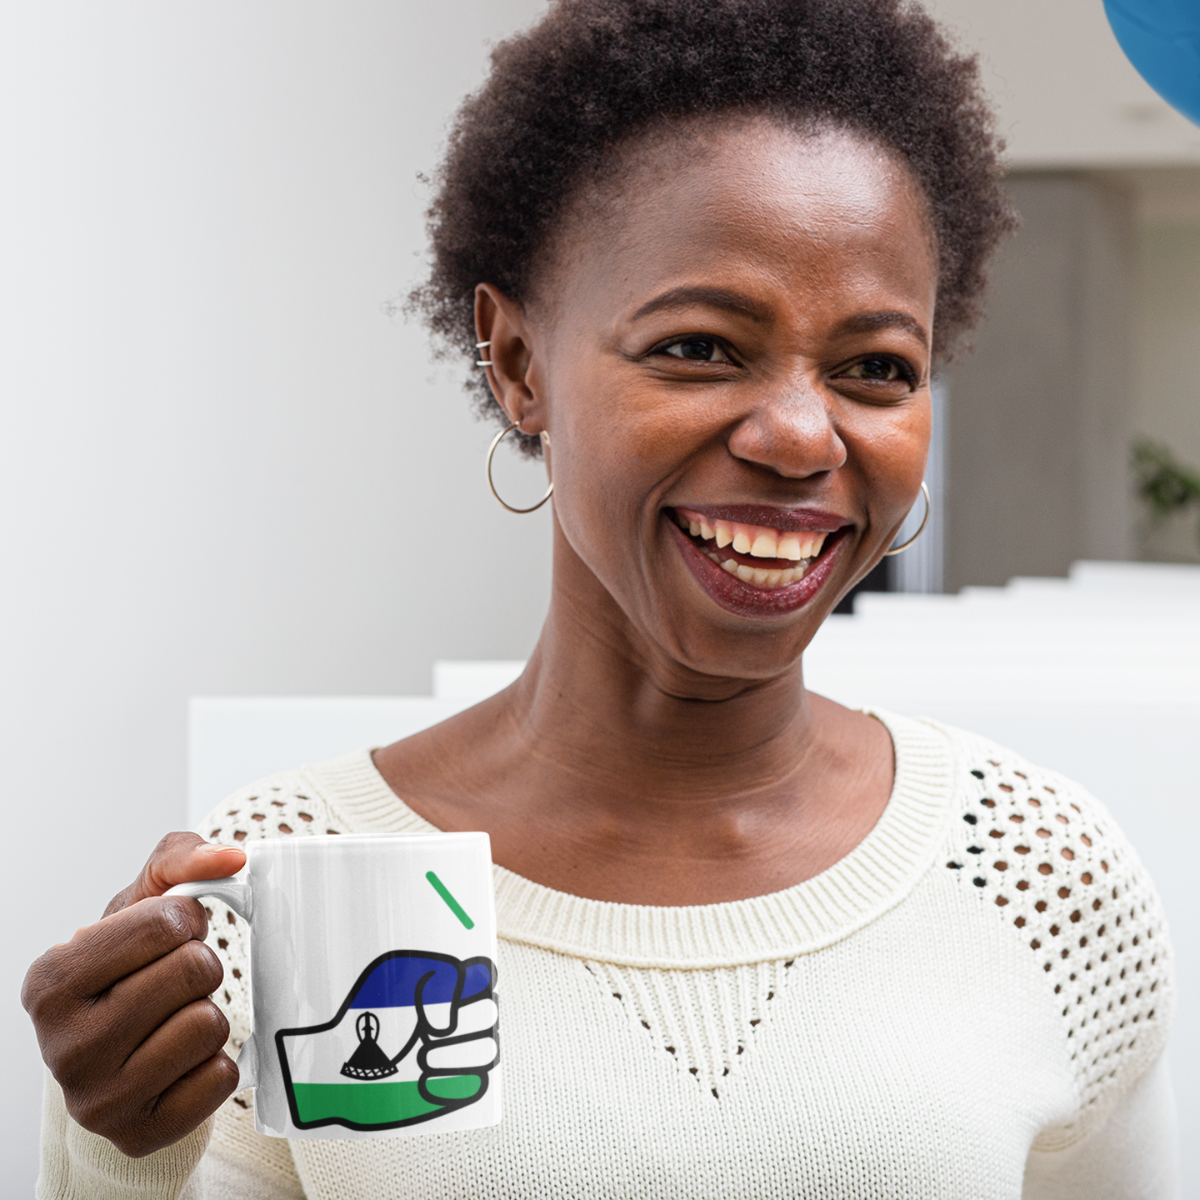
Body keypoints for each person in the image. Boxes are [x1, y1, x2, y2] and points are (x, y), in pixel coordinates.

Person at [23, 0, 1178, 1196]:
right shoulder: (285, 875)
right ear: (519, 364)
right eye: (699, 347)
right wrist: (119, 1141)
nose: (799, 433)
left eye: (877, 369)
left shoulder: (1044, 875)